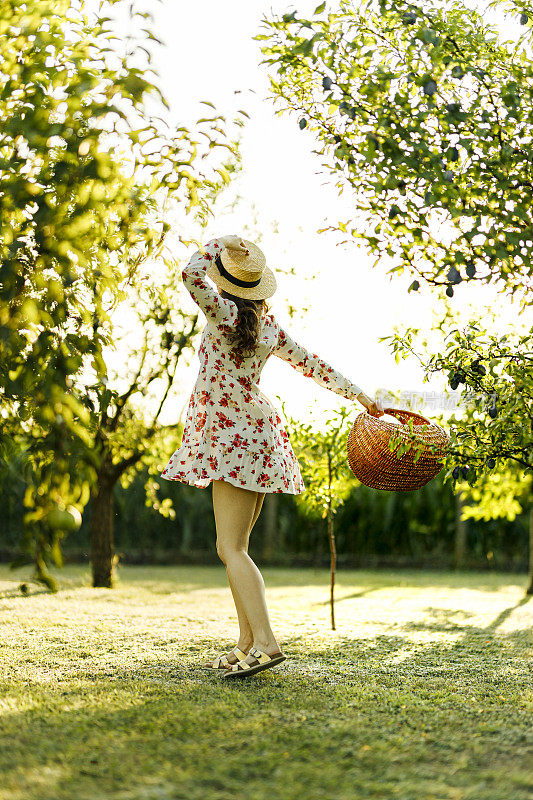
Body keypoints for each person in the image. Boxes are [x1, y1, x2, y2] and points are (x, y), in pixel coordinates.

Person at [161, 234, 384, 679]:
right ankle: (247, 641)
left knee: (230, 547)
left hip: (232, 439)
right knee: (235, 548)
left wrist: (218, 243)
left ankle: (266, 642)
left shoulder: (222, 313)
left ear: (225, 284)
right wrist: (361, 396)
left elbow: (188, 273)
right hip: (258, 435)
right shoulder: (268, 328)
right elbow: (315, 365)